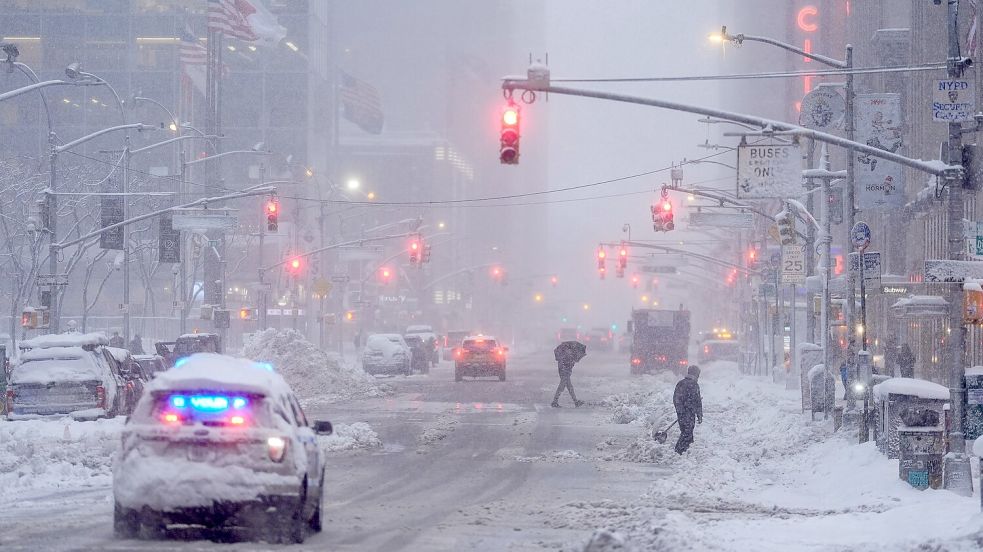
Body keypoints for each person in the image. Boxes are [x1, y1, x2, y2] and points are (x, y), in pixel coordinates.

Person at [673, 365, 703, 454]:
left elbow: (675, 398)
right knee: (687, 432)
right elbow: (697, 402)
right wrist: (699, 414)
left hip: (681, 414)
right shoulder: (694, 385)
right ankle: (679, 451)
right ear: (696, 374)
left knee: (685, 431)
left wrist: (679, 410)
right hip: (689, 413)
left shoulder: (680, 383)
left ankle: (684, 451)